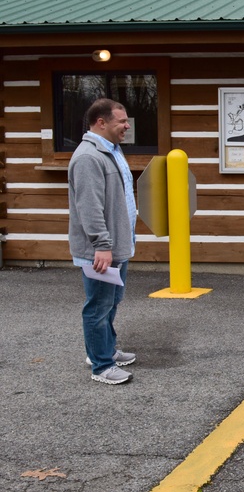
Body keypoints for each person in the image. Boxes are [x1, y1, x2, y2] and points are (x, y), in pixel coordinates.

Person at [68, 98, 139, 385]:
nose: (126, 126)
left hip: (115, 246)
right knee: (98, 306)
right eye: (121, 121)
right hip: (101, 250)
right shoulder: (89, 157)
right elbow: (89, 207)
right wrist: (102, 245)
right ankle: (101, 365)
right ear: (101, 122)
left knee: (111, 302)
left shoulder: (111, 151)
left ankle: (104, 349)